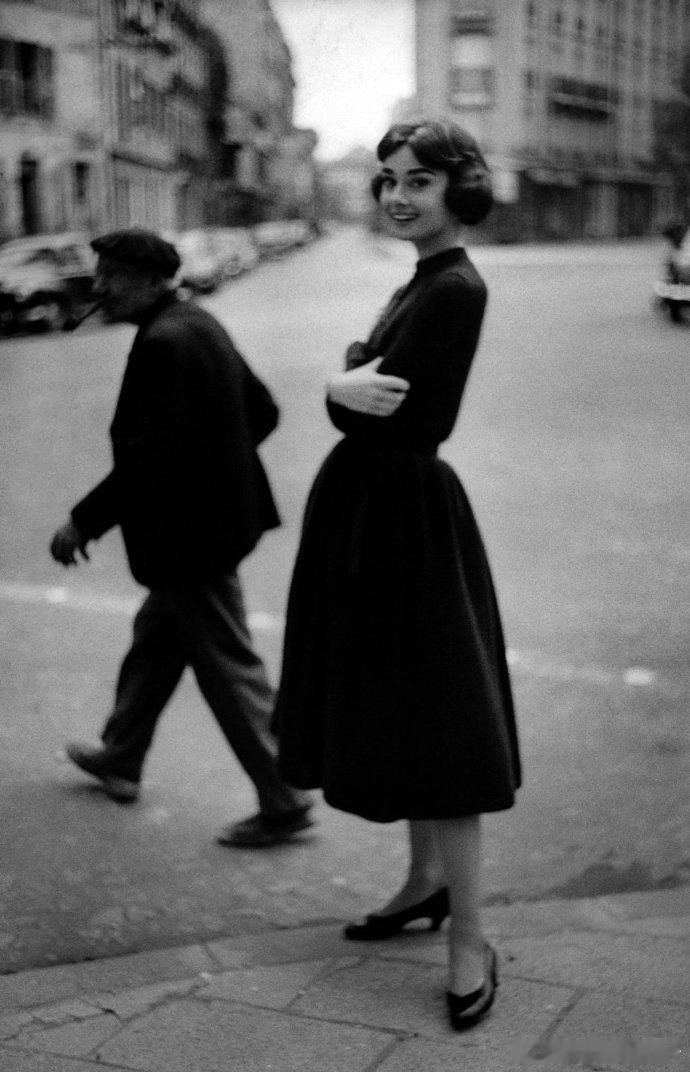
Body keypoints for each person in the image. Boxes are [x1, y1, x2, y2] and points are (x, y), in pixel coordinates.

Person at [272, 120, 521, 1030]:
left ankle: (471, 940)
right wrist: (345, 380)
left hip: (406, 518)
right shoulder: (422, 278)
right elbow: (363, 382)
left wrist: (342, 385)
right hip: (380, 513)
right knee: (415, 711)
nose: (397, 196)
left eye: (419, 180)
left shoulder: (453, 287)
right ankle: (423, 884)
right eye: (387, 180)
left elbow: (389, 405)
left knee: (445, 723)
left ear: (461, 187)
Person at [50, 228, 312, 847]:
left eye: (112, 275)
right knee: (157, 642)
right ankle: (121, 755)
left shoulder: (164, 343)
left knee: (228, 664)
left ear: (149, 280)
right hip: (211, 527)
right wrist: (219, 465)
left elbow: (146, 463)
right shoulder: (197, 323)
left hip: (191, 539)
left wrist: (83, 521)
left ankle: (284, 795)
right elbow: (263, 411)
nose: (99, 287)